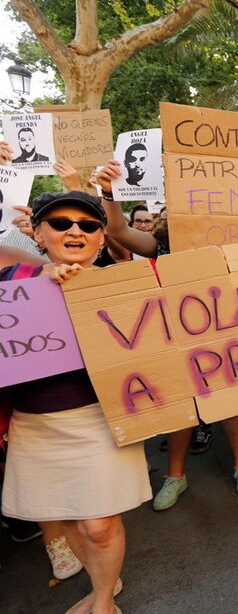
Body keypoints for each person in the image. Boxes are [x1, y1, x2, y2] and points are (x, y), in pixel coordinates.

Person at [1, 190, 151, 614]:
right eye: (61, 223)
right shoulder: (10, 286)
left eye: (88, 225)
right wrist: (40, 282)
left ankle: (103, 601)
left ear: (101, 239)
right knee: (65, 517)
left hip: (101, 420)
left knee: (99, 525)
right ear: (39, 233)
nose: (74, 231)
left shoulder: (124, 286)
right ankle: (104, 581)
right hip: (35, 424)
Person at [93, 159, 238, 510]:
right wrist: (109, 193)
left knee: (230, 402)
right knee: (181, 406)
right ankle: (175, 476)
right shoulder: (161, 243)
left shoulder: (232, 239)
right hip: (176, 337)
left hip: (222, 333)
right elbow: (120, 232)